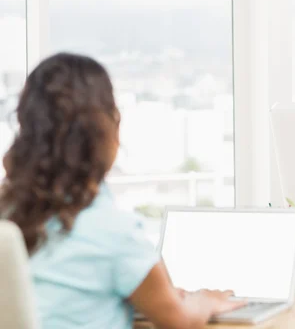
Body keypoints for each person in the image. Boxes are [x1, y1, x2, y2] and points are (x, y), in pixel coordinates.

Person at [0, 53, 245, 329]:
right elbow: (180, 321)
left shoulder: (6, 213)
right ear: (108, 129)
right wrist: (206, 301)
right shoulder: (113, 231)